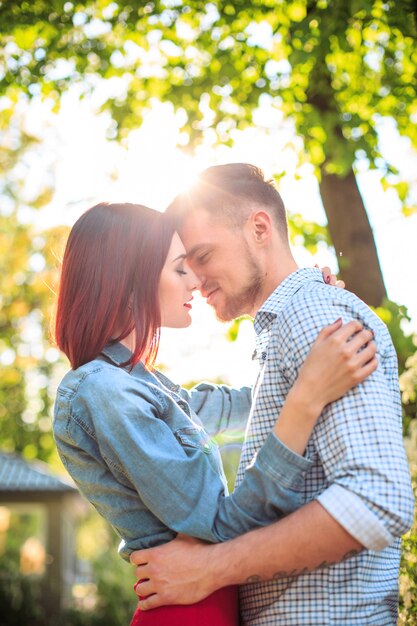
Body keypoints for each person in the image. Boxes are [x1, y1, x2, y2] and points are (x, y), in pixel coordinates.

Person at [53, 201, 377, 626]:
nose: (195, 281)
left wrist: (315, 314)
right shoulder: (105, 392)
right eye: (179, 268)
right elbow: (217, 524)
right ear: (130, 279)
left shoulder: (145, 385)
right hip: (188, 610)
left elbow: (251, 402)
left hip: (209, 599)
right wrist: (306, 398)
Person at [131, 164, 415, 626]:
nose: (195, 281)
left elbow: (378, 499)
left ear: (259, 227)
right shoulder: (289, 327)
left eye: (202, 255)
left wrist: (209, 568)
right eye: (185, 265)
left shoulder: (314, 316)